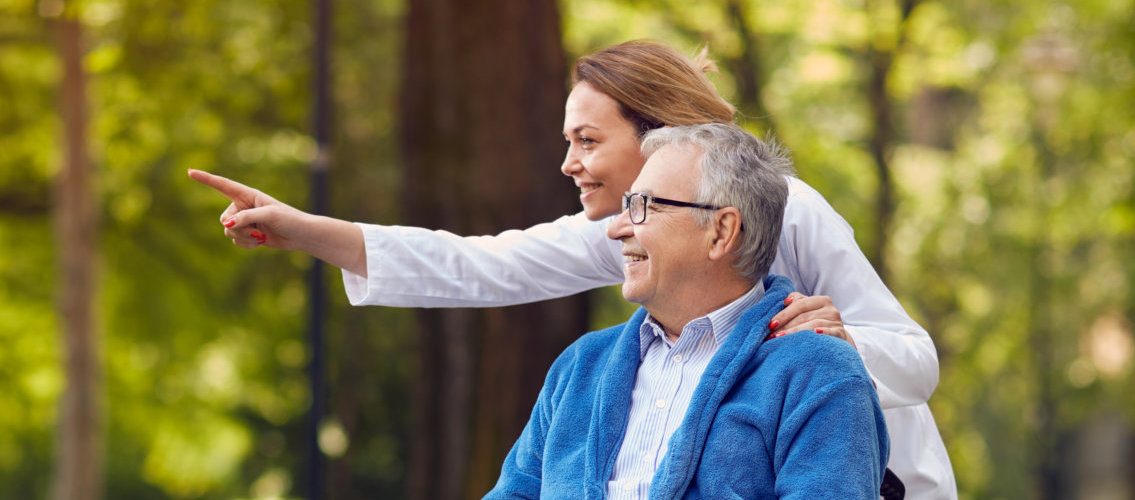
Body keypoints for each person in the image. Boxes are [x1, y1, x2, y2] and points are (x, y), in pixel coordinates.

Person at [188, 40, 953, 498]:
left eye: (587, 140)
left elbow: (914, 362)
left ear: (659, 134)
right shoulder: (618, 248)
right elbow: (476, 267)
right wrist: (302, 230)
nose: (569, 162)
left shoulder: (788, 210)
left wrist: (844, 340)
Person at [486, 123, 887, 499]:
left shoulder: (820, 373)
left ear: (722, 231)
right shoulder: (579, 366)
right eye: (626, 205)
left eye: (643, 206)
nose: (616, 228)